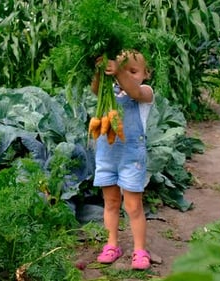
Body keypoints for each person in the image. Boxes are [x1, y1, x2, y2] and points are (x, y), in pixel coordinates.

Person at [90, 49, 154, 270]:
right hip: (106, 155)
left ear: (147, 73)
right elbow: (95, 90)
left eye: (134, 71)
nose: (127, 75)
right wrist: (100, 72)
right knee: (111, 203)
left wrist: (119, 71)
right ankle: (112, 245)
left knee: (133, 205)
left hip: (131, 157)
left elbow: (134, 91)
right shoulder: (110, 91)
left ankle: (139, 250)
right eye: (122, 69)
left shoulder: (145, 92)